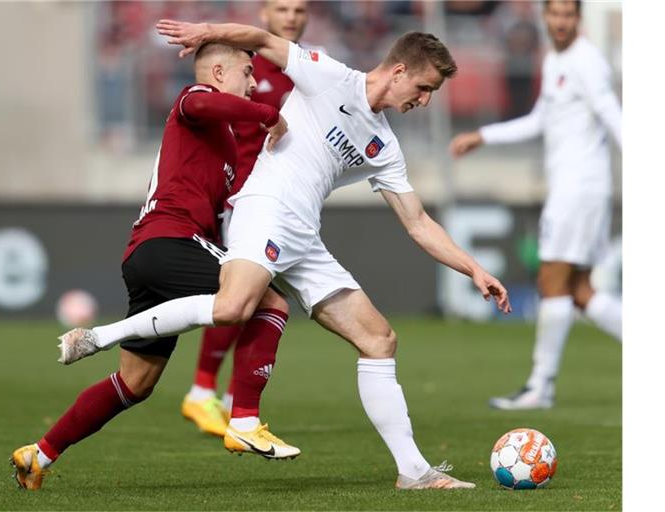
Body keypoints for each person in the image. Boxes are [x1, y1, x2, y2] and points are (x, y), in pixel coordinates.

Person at [61, 20, 512, 490]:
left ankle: (413, 471)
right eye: (424, 87)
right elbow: (260, 40)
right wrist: (206, 31)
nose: (425, 100)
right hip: (265, 210)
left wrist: (474, 268)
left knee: (379, 340)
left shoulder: (385, 147)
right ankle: (102, 335)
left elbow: (418, 222)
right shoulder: (330, 75)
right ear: (398, 72)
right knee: (235, 307)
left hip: (304, 236)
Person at [10, 42, 299, 491]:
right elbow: (200, 101)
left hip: (153, 252)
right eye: (246, 72)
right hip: (170, 241)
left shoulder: (222, 136)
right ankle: (243, 419)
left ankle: (39, 454)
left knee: (135, 382)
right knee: (269, 303)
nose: (252, 81)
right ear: (218, 72)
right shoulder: (194, 99)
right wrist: (265, 113)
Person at [449, 0, 622, 410]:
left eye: (568, 15)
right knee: (580, 292)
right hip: (577, 189)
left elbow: (614, 116)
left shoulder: (586, 62)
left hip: (579, 190)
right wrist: (484, 135)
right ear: (545, 17)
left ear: (578, 18)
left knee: (552, 281)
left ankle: (540, 386)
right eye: (555, 14)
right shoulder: (557, 60)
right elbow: (540, 120)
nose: (561, 22)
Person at [182, 0, 313, 439]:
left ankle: (221, 399)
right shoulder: (249, 68)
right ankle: (205, 392)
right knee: (250, 298)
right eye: (282, 8)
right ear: (263, 15)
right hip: (242, 199)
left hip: (284, 203)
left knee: (259, 300)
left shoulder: (306, 69)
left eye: (299, 9)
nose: (292, 16)